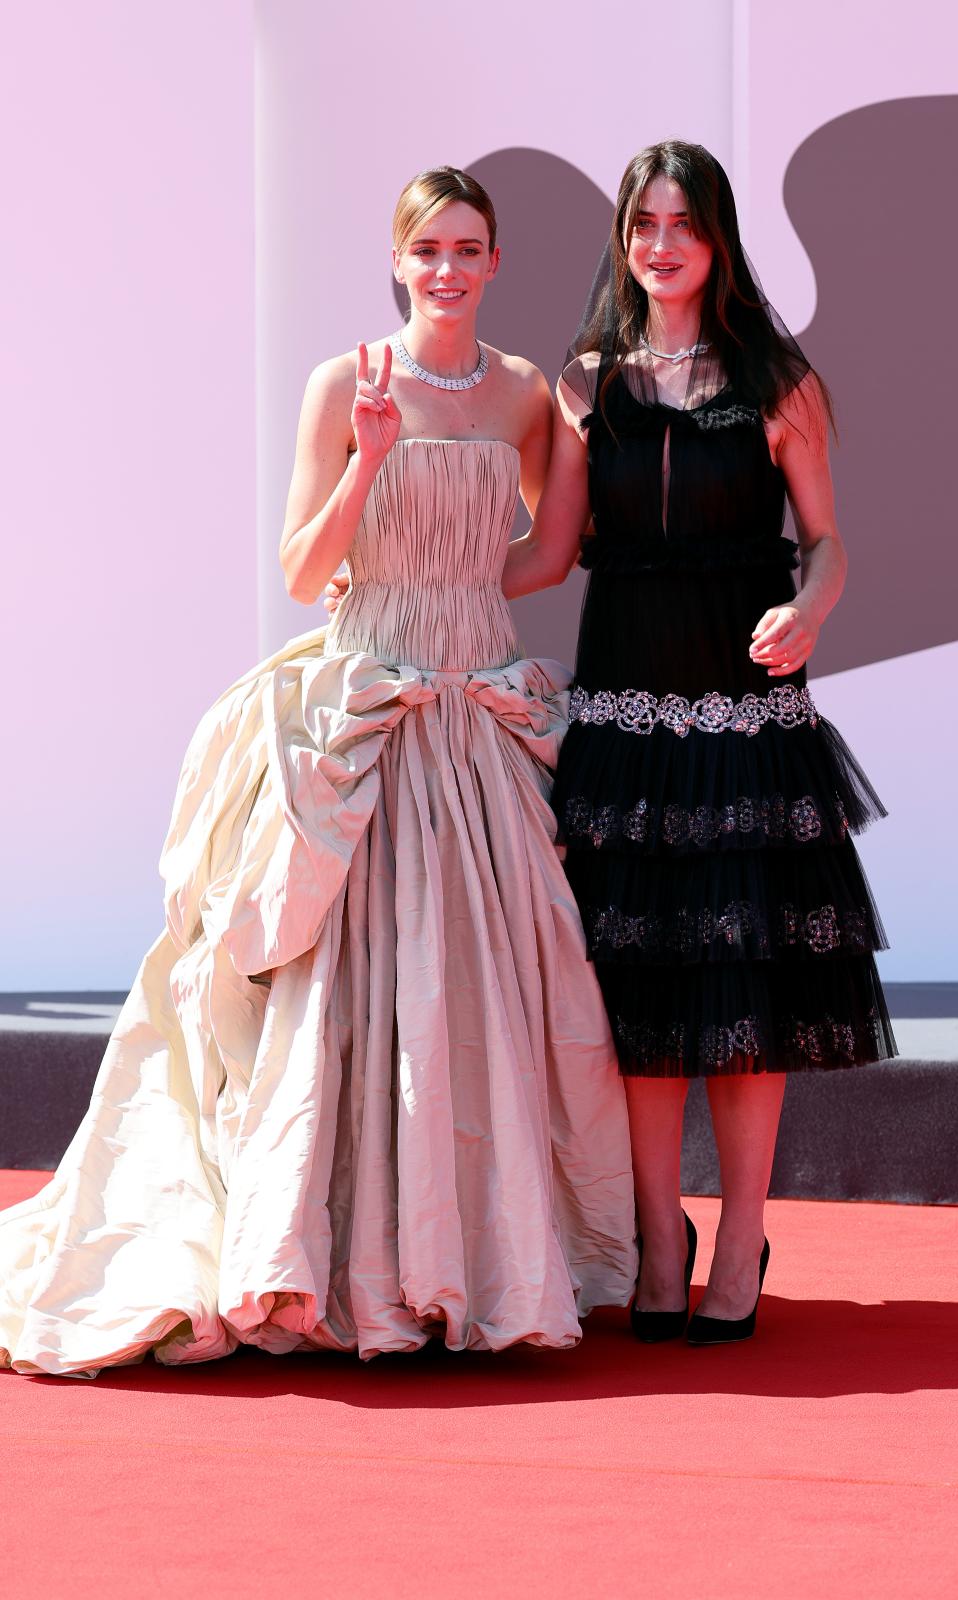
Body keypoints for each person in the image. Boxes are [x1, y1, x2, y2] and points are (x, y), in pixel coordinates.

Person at [0, 166, 637, 1378]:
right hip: (365, 703)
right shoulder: (345, 384)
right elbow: (302, 569)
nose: (447, 269)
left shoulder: (523, 392)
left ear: (496, 262)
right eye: (427, 249)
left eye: (468, 249)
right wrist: (369, 465)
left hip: (473, 709)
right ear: (397, 261)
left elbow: (548, 557)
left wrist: (530, 487)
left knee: (483, 991)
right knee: (334, 989)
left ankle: (478, 1266)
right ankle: (326, 1265)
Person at [502, 140, 897, 1344]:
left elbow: (826, 541)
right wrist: (402, 575)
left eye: (683, 223)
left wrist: (810, 607)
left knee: (744, 997)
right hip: (622, 734)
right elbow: (548, 553)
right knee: (638, 998)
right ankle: (655, 1238)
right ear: (622, 240)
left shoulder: (779, 379)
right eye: (643, 224)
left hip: (745, 730)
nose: (660, 244)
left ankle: (738, 1244)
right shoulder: (584, 385)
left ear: (718, 238)